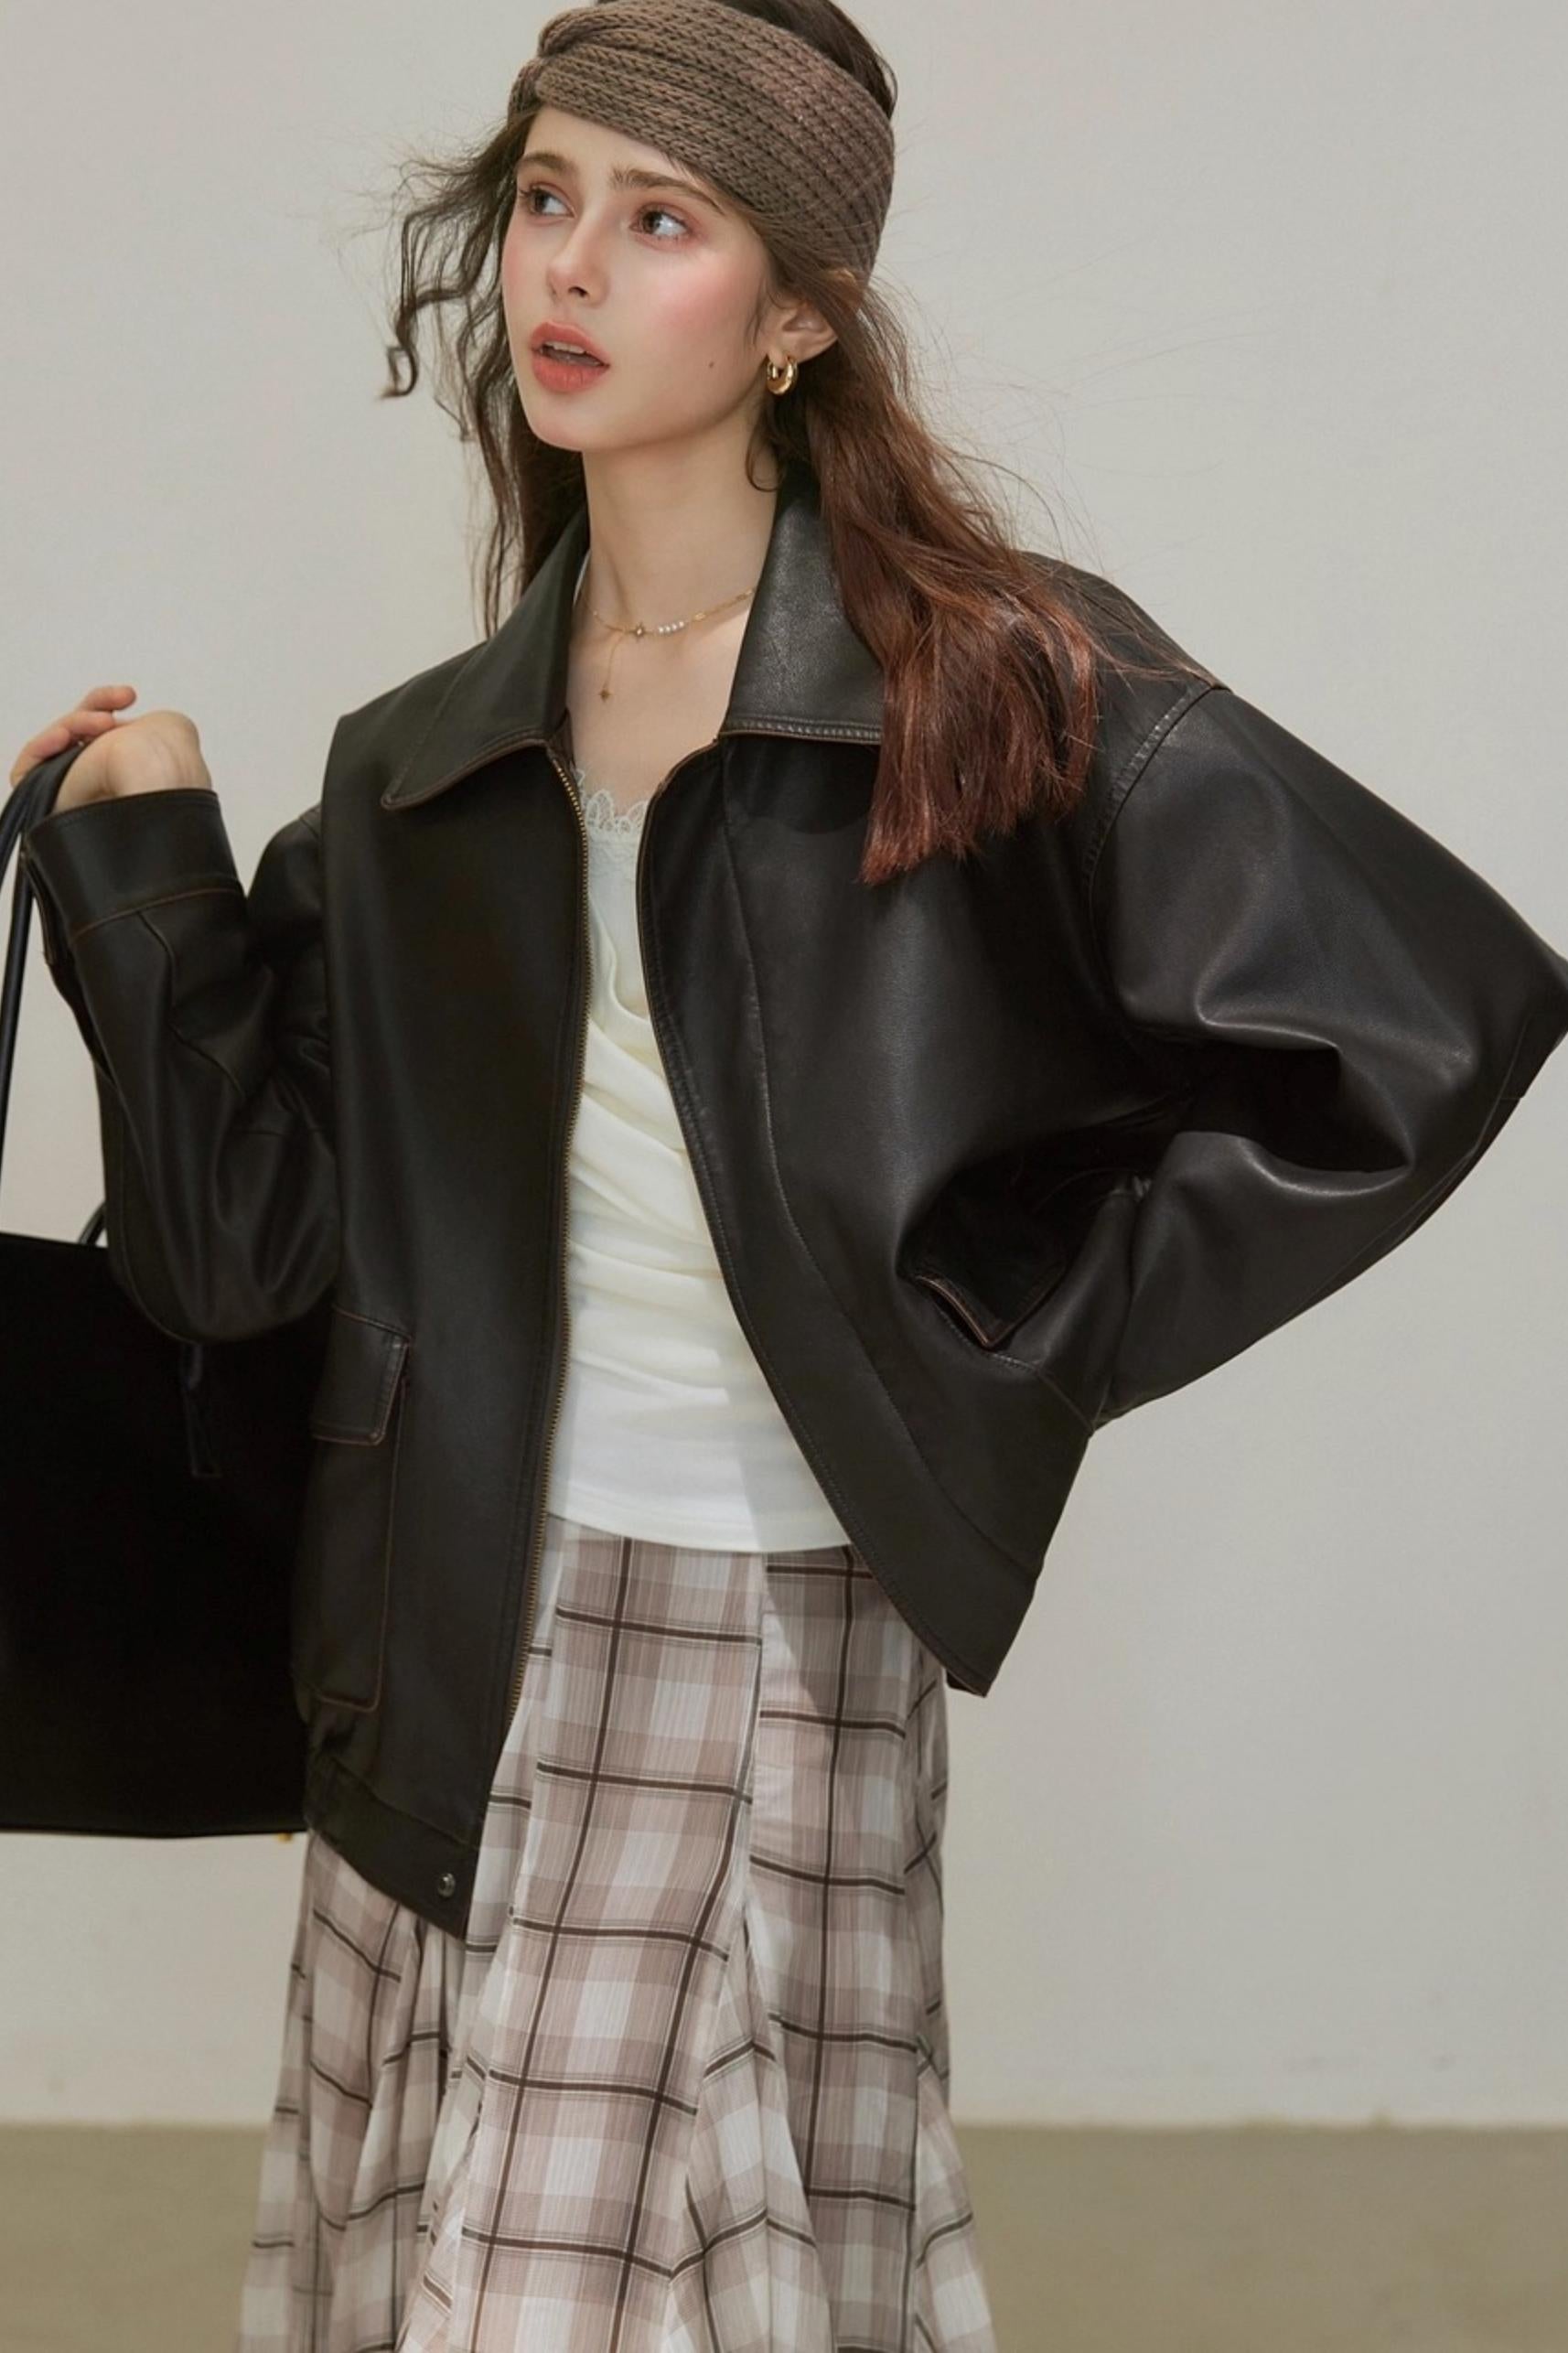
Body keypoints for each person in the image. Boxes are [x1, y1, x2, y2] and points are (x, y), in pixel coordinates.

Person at [9, 3, 1568, 2347]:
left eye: (662, 221)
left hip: (752, 1613)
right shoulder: (426, 770)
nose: (571, 266)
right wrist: (143, 861)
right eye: (548, 199)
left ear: (798, 312)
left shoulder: (977, 682)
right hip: (430, 1632)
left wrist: (999, 1324)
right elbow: (240, 1258)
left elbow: (1414, 1022)